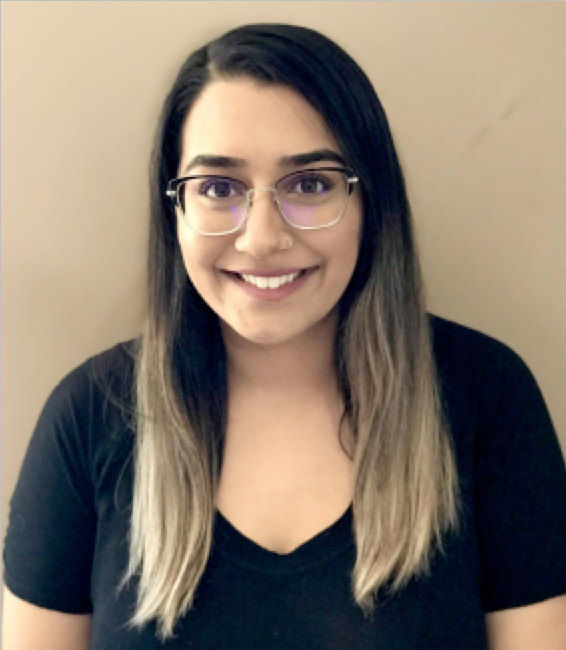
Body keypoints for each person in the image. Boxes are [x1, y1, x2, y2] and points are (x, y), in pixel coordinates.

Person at [3, 23, 566, 650]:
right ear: (177, 211)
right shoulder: (88, 417)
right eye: (218, 188)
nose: (263, 238)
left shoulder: (486, 397)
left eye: (311, 184)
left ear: (369, 203)